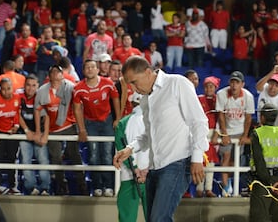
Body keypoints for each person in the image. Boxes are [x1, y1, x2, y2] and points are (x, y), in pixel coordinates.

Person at [113, 56, 209, 221]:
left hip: (177, 163)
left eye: (134, 82)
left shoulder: (177, 83)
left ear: (148, 72)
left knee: (159, 219)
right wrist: (130, 148)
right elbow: (148, 135)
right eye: (130, 85)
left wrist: (197, 158)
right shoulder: (145, 100)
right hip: (155, 168)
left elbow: (198, 121)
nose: (134, 89)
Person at [34, 65, 87, 195]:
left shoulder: (71, 87)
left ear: (62, 74)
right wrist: (39, 131)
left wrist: (81, 128)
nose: (56, 74)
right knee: (56, 157)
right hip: (51, 128)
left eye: (58, 71)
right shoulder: (42, 90)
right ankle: (61, 184)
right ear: (49, 75)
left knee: (75, 155)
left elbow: (79, 106)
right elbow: (38, 110)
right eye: (53, 72)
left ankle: (82, 184)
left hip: (69, 125)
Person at [73, 59, 120, 197]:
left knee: (107, 155)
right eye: (87, 67)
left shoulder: (108, 83)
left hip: (107, 121)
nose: (90, 69)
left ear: (98, 69)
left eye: (93, 67)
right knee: (93, 156)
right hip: (90, 123)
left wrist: (117, 118)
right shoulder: (78, 88)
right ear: (83, 71)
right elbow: (77, 110)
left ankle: (109, 186)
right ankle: (97, 187)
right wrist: (82, 129)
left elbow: (116, 99)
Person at [249, 103, 278, 222]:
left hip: (263, 182)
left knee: (259, 218)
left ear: (262, 117)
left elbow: (259, 161)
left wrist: (269, 182)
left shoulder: (257, 133)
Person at [216, 71, 255, 196]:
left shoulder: (248, 96)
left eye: (237, 82)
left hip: (239, 132)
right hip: (226, 130)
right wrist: (224, 133)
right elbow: (221, 115)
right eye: (232, 82)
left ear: (242, 84)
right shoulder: (221, 94)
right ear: (229, 83)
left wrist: (244, 135)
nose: (234, 85)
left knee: (236, 161)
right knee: (225, 158)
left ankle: (231, 183)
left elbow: (248, 118)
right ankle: (225, 187)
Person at [114, 92, 149, 222]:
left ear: (131, 103)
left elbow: (120, 149)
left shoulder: (122, 123)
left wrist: (134, 168)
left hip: (129, 175)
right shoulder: (155, 120)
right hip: (151, 174)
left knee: (127, 217)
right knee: (157, 216)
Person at [18, 74, 51, 195]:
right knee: (25, 161)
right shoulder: (19, 97)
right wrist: (27, 131)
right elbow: (17, 115)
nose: (30, 88)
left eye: (33, 85)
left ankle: (45, 188)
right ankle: (31, 188)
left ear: (38, 86)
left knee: (43, 160)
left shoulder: (42, 97)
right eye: (28, 85)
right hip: (24, 134)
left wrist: (43, 134)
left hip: (40, 134)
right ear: (24, 85)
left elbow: (47, 117)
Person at [196, 76, 221, 198]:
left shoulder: (219, 100)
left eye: (211, 86)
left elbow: (221, 119)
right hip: (201, 131)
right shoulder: (198, 99)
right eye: (206, 86)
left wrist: (217, 132)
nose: (208, 88)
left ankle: (209, 189)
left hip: (213, 132)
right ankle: (199, 188)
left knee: (210, 163)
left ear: (216, 87)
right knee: (200, 160)